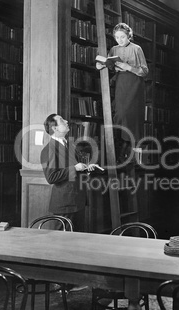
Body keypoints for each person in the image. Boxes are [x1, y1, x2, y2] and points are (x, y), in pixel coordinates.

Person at [96, 22, 148, 164]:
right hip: (121, 84)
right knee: (119, 114)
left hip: (134, 84)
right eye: (117, 37)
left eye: (123, 37)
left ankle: (134, 152)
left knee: (131, 116)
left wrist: (128, 67)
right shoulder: (113, 49)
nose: (120, 40)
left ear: (129, 36)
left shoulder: (137, 49)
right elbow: (110, 64)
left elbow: (144, 71)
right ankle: (123, 150)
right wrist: (102, 64)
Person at [40, 113, 99, 232]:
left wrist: (87, 168)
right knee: (63, 243)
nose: (66, 121)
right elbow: (51, 177)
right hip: (65, 203)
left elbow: (74, 167)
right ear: (55, 129)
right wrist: (75, 168)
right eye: (62, 120)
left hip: (78, 200)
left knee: (78, 241)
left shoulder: (70, 145)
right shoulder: (49, 149)